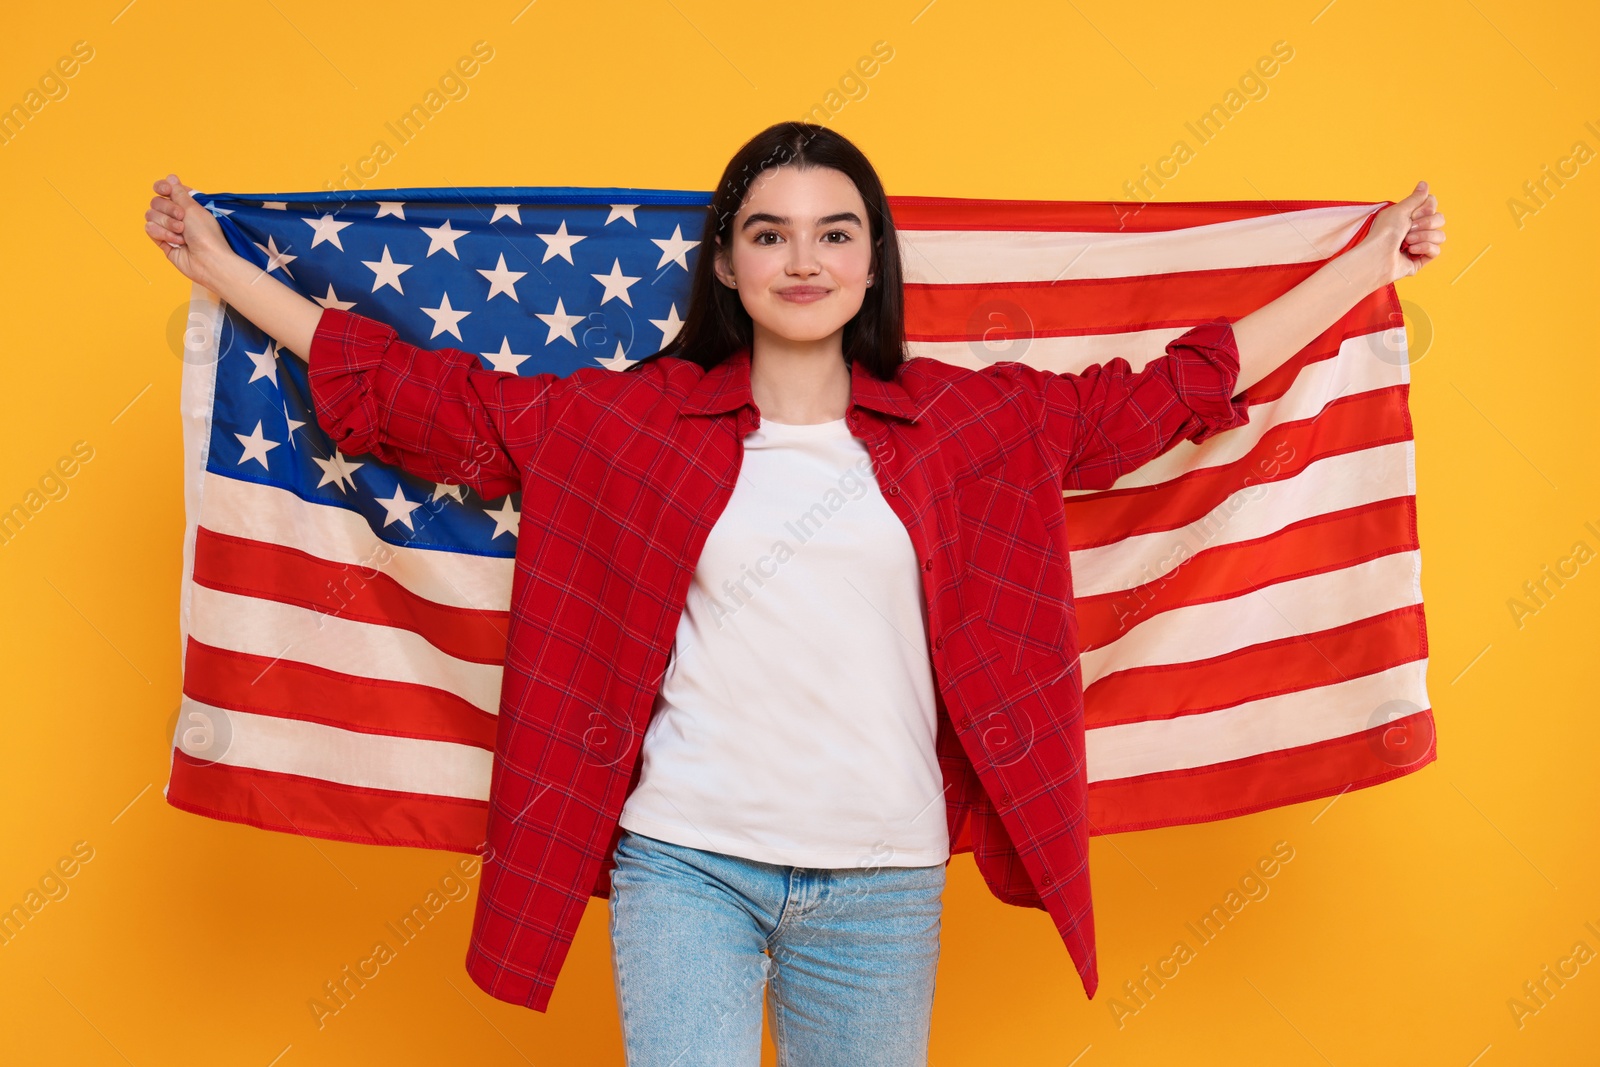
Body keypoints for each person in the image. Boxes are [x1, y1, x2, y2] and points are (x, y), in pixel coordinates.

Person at [143, 121, 1444, 1066]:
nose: (803, 259)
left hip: (880, 872)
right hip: (684, 864)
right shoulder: (627, 423)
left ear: (874, 262)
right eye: (770, 232)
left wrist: (1367, 262)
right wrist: (222, 269)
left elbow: (1173, 394)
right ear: (724, 262)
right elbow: (430, 402)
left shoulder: (971, 425)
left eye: (835, 233)